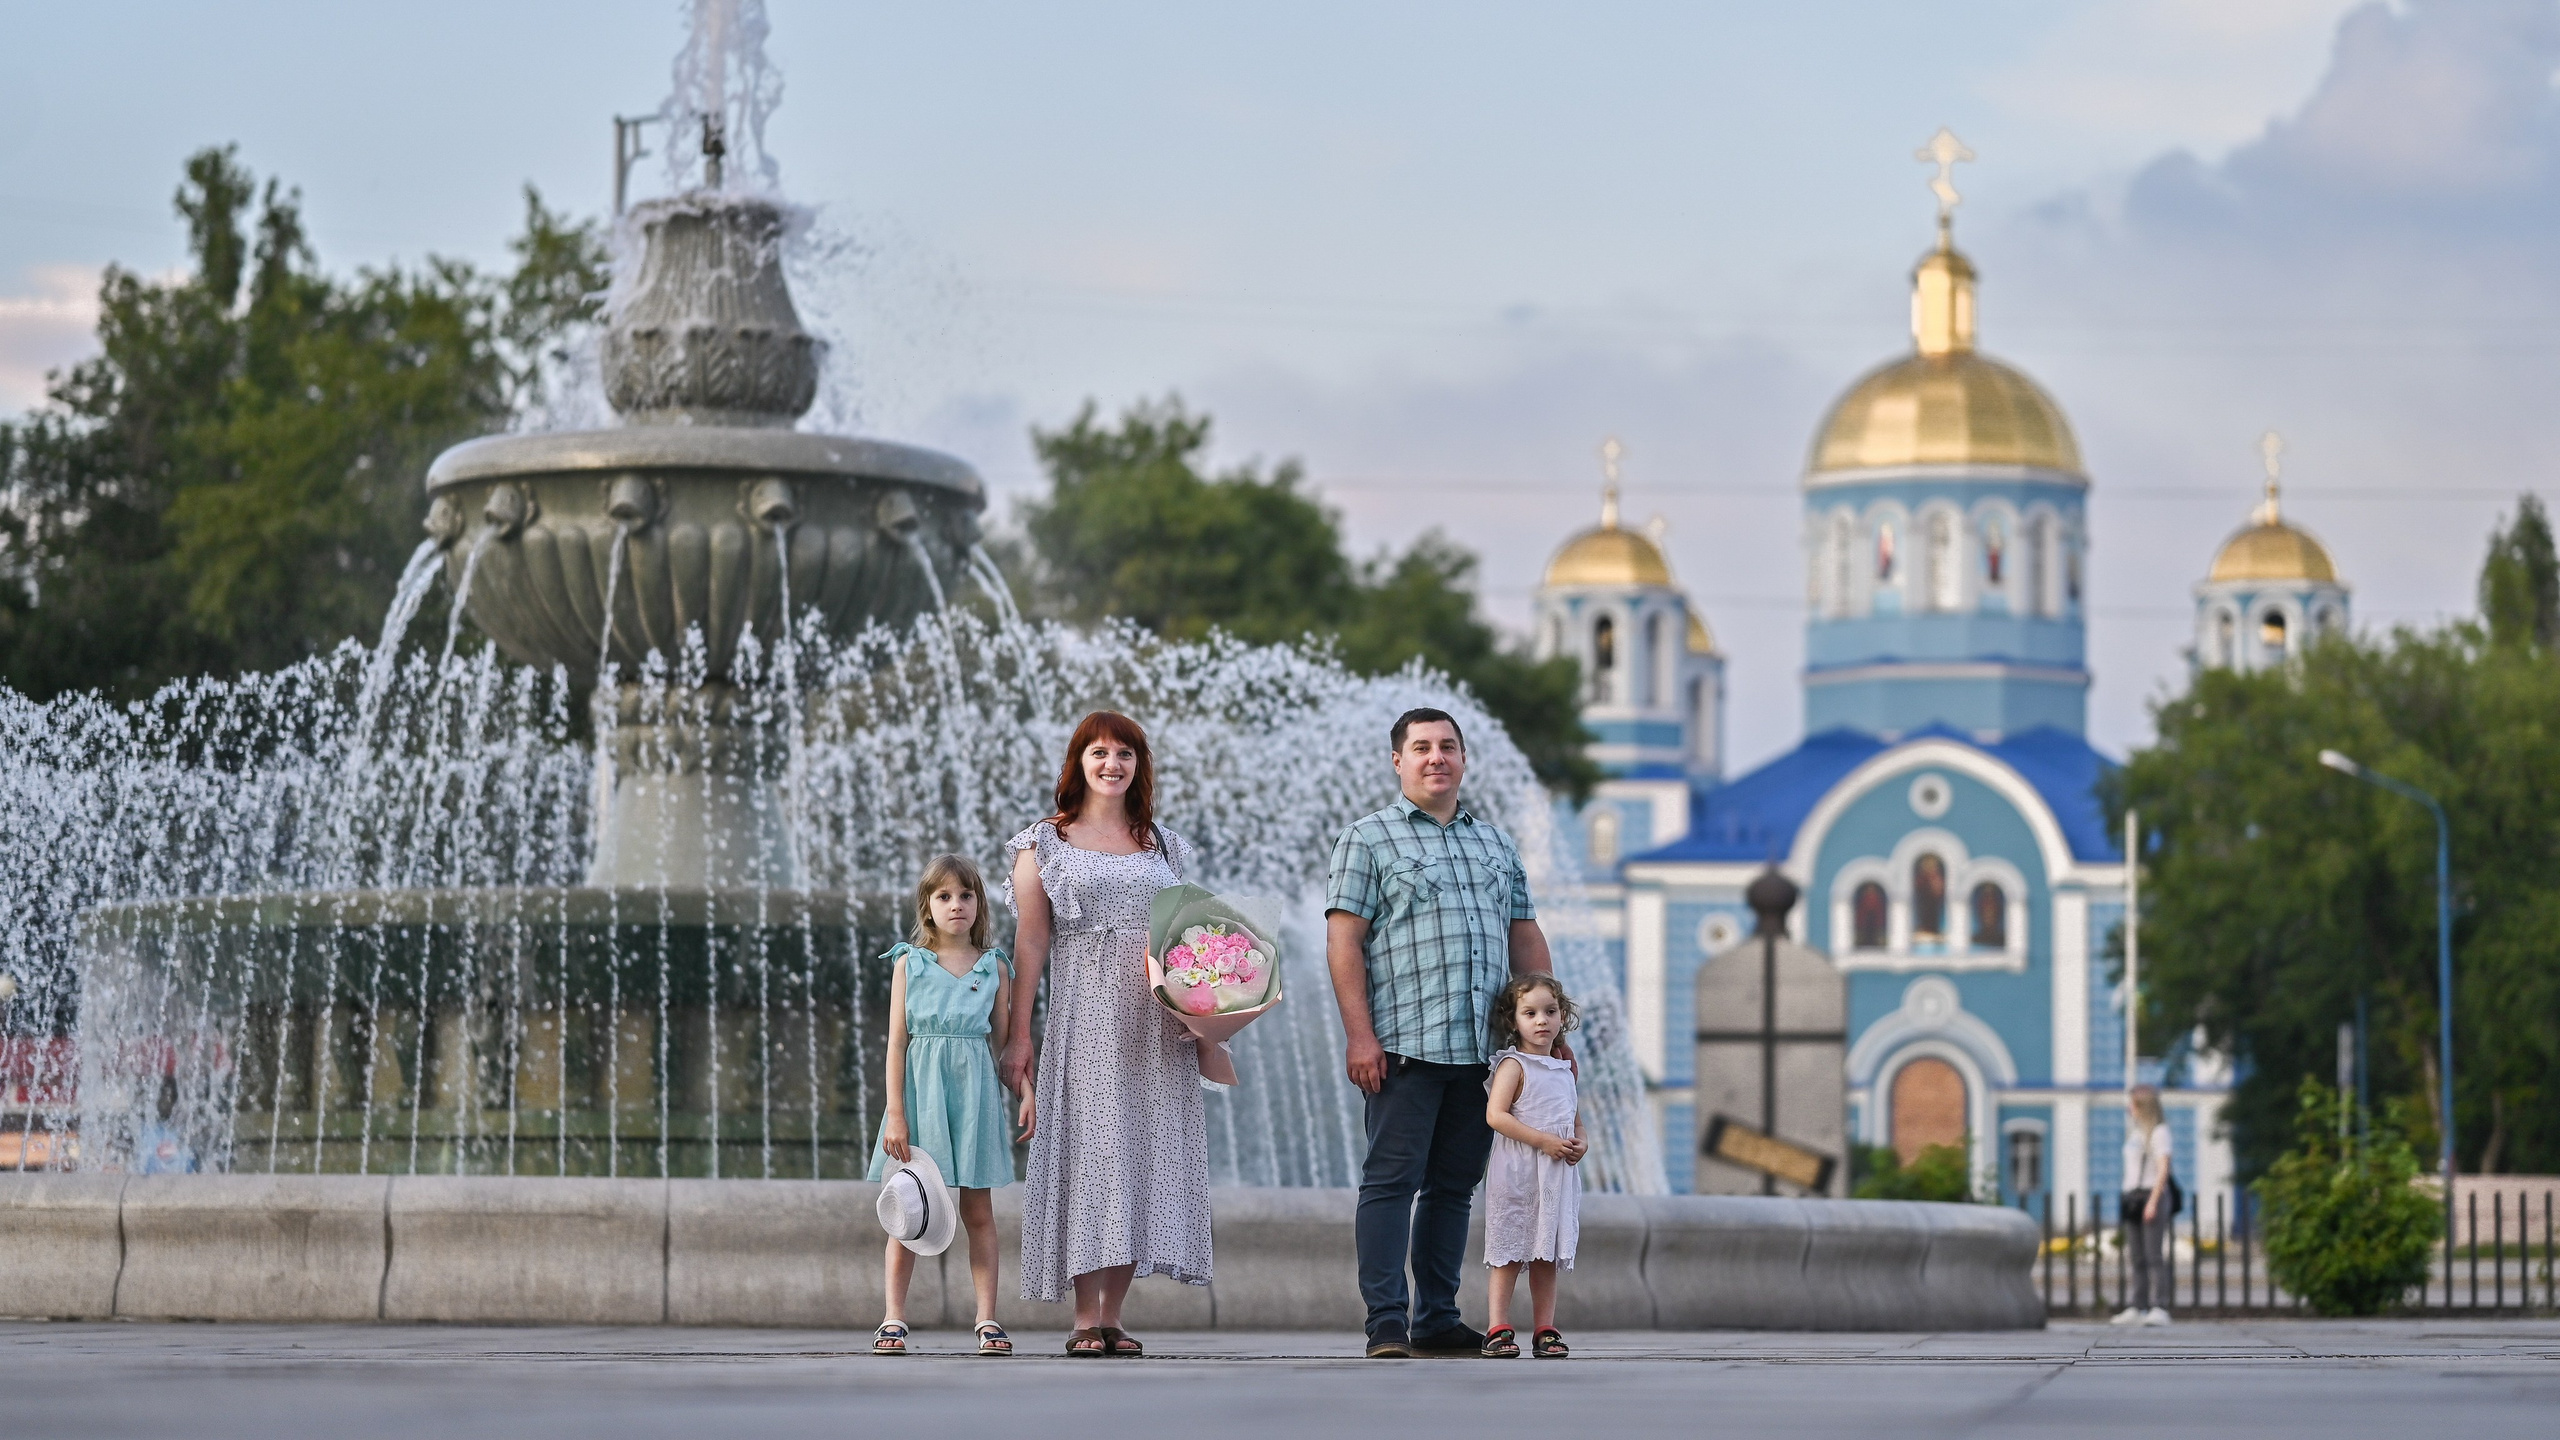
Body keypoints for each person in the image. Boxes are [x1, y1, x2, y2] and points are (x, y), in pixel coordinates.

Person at [1325, 706, 1558, 1359]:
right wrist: (1360, 1036)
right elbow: (1344, 943)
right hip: (1404, 1043)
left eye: (1448, 747)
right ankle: (1386, 1323)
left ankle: (1436, 1318)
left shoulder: (1496, 844)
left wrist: (1546, 1028)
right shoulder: (1368, 839)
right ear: (1397, 761)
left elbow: (1524, 934)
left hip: (1483, 1052)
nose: (1436, 758)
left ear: (1463, 759)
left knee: (1454, 1188)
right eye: (1422, 747)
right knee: (1390, 1182)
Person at [999, 711, 1209, 1358]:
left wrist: (1207, 1014)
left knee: (1144, 1153)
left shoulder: (1166, 845)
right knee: (1093, 1155)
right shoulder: (1045, 842)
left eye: (1124, 753)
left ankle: (1113, 1316)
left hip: (1156, 1021)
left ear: (1138, 765)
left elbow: (1190, 936)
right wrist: (1019, 1034)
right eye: (1099, 752)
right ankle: (1082, 1316)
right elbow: (1031, 942)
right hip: (1085, 1015)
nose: (1112, 764)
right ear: (1079, 762)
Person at [866, 854, 1018, 1357]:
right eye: (944, 896)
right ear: (927, 906)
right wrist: (895, 1113)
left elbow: (1006, 1046)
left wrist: (1027, 1094)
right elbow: (896, 1043)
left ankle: (987, 1319)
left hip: (974, 1097)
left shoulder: (995, 966)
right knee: (908, 1203)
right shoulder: (909, 963)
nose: (957, 905)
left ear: (980, 903)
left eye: (966, 895)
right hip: (920, 1094)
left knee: (979, 1210)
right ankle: (893, 1317)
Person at [1478, 972, 1584, 1360]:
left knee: (1546, 1254)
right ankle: (1498, 1327)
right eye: (1530, 1013)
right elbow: (1496, 1116)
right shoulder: (1513, 1065)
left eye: (1550, 1012)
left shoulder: (1563, 1068)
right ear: (1513, 1020)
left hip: (1555, 1175)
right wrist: (1542, 1141)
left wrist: (1581, 1142)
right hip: (1519, 1173)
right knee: (1509, 1251)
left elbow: (1574, 1119)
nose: (1542, 1021)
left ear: (1562, 1016)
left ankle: (1545, 1328)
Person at [2113, 1083, 2177, 1327]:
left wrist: (2153, 1201)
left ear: (2143, 1106)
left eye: (2133, 1104)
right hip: (2132, 1196)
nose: (2129, 1108)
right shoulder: (2136, 1133)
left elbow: (2163, 1169)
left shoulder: (2159, 1132)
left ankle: (2159, 1306)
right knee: (2137, 1256)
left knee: (2153, 1255)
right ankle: (2137, 1305)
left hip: (2151, 1195)